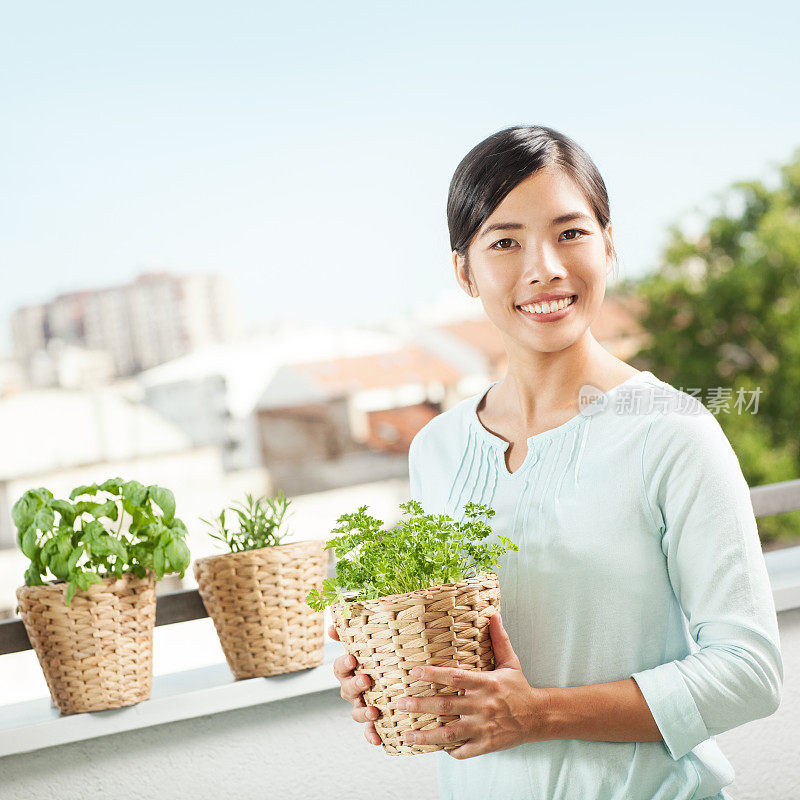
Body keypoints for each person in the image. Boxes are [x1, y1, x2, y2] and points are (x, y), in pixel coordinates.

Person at [330, 125, 783, 800]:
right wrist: (387, 676)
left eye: (570, 232)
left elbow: (749, 673)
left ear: (608, 245)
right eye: (505, 241)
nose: (544, 267)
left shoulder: (672, 433)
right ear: (465, 270)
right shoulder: (438, 449)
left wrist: (539, 714)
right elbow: (454, 646)